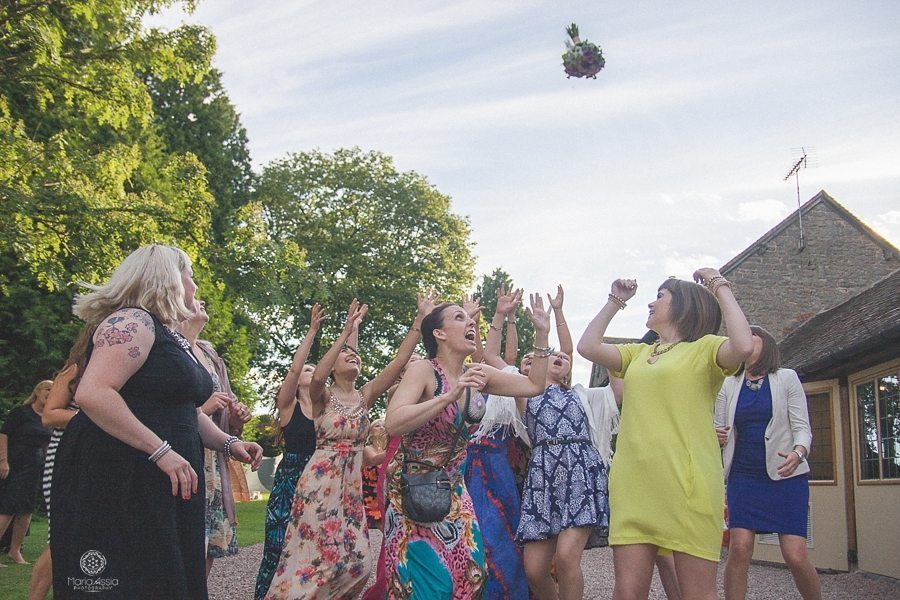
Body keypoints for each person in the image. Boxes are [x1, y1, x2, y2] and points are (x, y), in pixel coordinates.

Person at [50, 244, 262, 599]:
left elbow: (187, 412)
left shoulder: (171, 335)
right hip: (125, 474)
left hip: (166, 478)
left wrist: (229, 443)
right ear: (170, 279)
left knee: (169, 577)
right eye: (190, 275)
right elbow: (94, 393)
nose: (195, 286)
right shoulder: (131, 321)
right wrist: (160, 450)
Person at [577, 270, 753, 600]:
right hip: (634, 485)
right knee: (627, 593)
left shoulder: (706, 349)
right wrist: (615, 301)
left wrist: (720, 286)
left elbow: (743, 345)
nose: (651, 302)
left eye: (661, 295)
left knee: (697, 593)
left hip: (687, 487)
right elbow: (587, 346)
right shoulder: (637, 354)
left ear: (685, 305)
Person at [265, 294, 434, 599]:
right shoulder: (322, 396)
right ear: (332, 367)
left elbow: (398, 363)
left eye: (355, 355)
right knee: (315, 562)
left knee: (359, 563)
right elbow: (316, 376)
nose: (353, 356)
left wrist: (419, 323)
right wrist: (344, 332)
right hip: (319, 485)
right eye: (345, 355)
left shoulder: (365, 396)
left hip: (351, 489)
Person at [383, 295, 552, 599]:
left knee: (472, 574)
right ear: (439, 333)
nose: (471, 322)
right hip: (412, 491)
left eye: (470, 319)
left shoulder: (477, 374)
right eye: (460, 318)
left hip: (455, 492)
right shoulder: (423, 370)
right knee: (427, 586)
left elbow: (534, 386)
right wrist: (448, 397)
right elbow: (393, 422)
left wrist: (542, 334)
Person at [515, 286, 618, 600]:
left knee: (566, 557)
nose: (558, 358)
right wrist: (540, 335)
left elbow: (569, 350)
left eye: (563, 358)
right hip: (542, 477)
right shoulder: (523, 393)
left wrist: (559, 312)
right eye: (546, 356)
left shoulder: (580, 395)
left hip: (580, 473)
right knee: (534, 569)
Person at [716, 326, 821, 600]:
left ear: (767, 345)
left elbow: (802, 427)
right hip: (743, 476)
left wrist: (798, 453)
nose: (744, 339)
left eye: (753, 335)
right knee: (739, 548)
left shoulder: (786, 379)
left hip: (786, 475)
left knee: (795, 555)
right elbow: (716, 429)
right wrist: (714, 434)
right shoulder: (729, 384)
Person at [465, 284, 533, 600]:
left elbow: (504, 357)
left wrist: (510, 320)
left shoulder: (511, 387)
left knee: (500, 532)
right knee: (471, 532)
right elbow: (485, 354)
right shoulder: (473, 384)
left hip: (497, 467)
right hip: (466, 466)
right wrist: (494, 316)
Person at [179, 299, 253, 577]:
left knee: (209, 542)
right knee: (185, 538)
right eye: (194, 299)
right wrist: (206, 408)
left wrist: (236, 419)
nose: (202, 300)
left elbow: (228, 416)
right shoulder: (172, 348)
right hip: (186, 451)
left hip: (214, 458)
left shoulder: (211, 355)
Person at [254, 303, 324, 600]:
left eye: (314, 369)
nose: (310, 371)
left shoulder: (326, 410)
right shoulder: (288, 406)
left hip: (319, 482)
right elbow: (296, 368)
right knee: (278, 547)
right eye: (308, 369)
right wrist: (311, 332)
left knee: (313, 551)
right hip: (289, 483)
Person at [27, 327, 91, 599]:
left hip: (92, 457)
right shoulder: (74, 370)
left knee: (82, 534)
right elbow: (49, 415)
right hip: (65, 455)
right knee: (59, 536)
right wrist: (98, 418)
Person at [0, 380, 52, 565]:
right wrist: (3, 461)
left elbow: (47, 445)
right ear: (37, 391)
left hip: (34, 466)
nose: (51, 393)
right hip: (14, 463)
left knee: (26, 508)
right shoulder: (21, 412)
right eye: (47, 389)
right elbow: (3, 434)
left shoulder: (47, 418)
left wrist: (50, 467)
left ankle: (15, 551)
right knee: (9, 505)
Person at [363, 418, 387, 529]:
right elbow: (374, 460)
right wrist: (394, 449)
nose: (381, 428)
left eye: (384, 426)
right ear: (370, 432)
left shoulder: (387, 450)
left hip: (385, 498)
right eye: (377, 426)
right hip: (370, 502)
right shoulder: (367, 449)